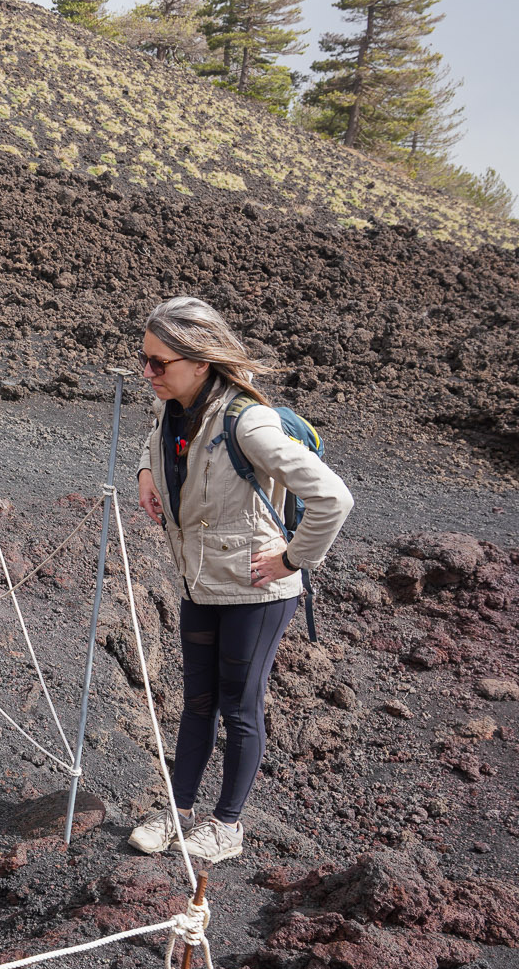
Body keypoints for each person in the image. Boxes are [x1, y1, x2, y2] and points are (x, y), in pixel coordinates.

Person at [125, 296, 354, 865]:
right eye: (145, 359)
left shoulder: (246, 421)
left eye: (160, 363)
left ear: (201, 363)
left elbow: (334, 497)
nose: (147, 373)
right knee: (196, 702)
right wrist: (146, 472)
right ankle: (178, 812)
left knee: (240, 705)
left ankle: (227, 826)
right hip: (200, 583)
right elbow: (159, 441)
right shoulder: (174, 406)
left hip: (256, 591)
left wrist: (294, 560)